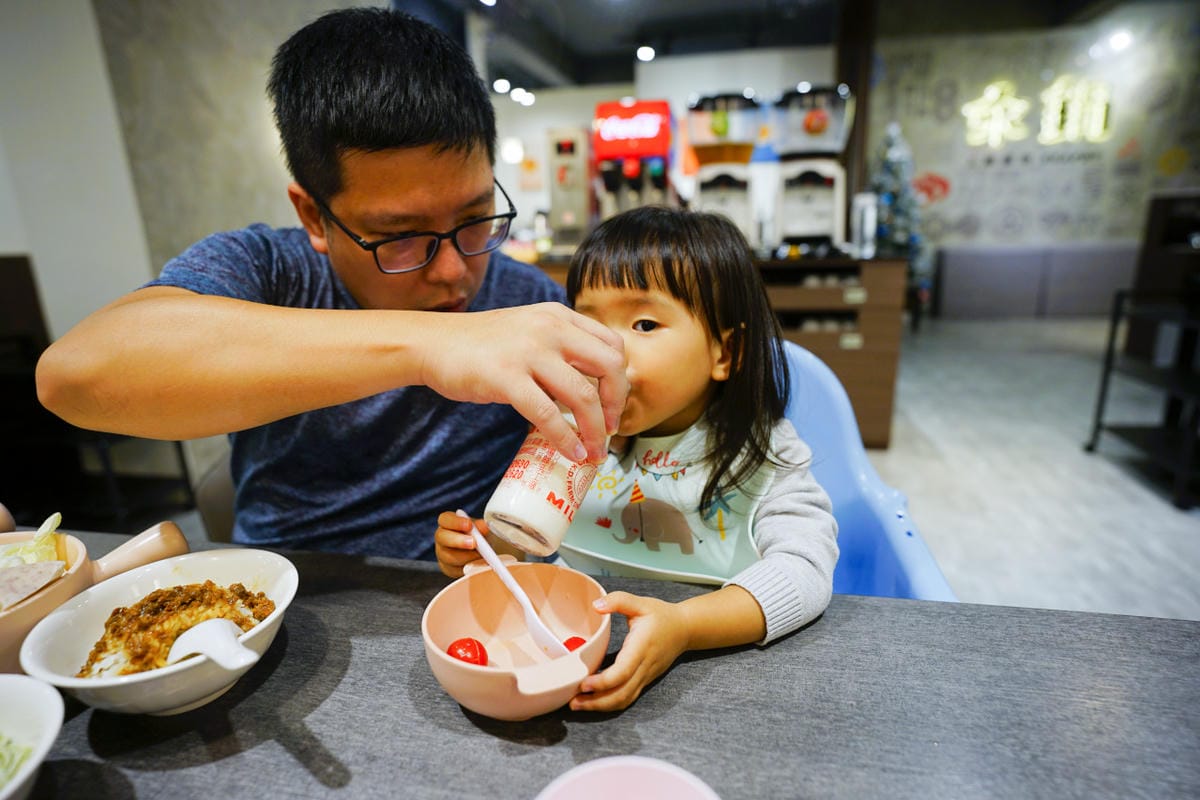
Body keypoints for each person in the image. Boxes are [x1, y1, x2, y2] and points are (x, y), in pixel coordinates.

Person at [34, 8, 626, 558]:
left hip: (472, 595)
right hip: (289, 593)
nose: (453, 271)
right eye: (399, 236)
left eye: (474, 218)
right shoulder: (269, 271)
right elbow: (74, 377)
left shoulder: (525, 305)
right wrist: (429, 345)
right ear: (314, 216)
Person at [435, 206, 839, 711]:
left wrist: (685, 627)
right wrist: (487, 544)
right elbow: (536, 542)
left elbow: (805, 574)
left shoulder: (762, 455)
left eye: (644, 323)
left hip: (718, 671)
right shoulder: (576, 435)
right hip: (574, 651)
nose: (606, 350)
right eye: (587, 324)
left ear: (724, 353)